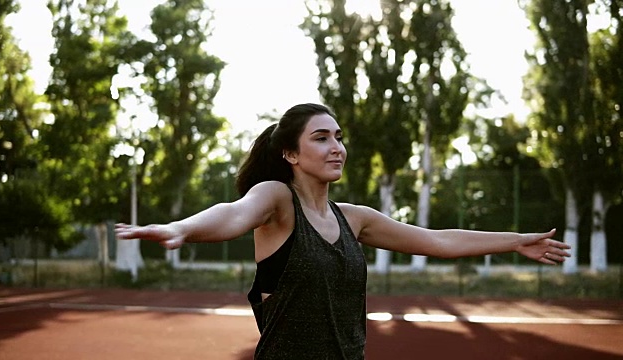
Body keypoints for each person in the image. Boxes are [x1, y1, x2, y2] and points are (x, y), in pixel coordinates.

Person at [115, 103, 571, 359]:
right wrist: (180, 228)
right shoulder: (277, 200)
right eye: (321, 138)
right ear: (291, 154)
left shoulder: (355, 218)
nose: (337, 147)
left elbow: (436, 240)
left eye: (338, 136)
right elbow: (233, 214)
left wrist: (516, 241)